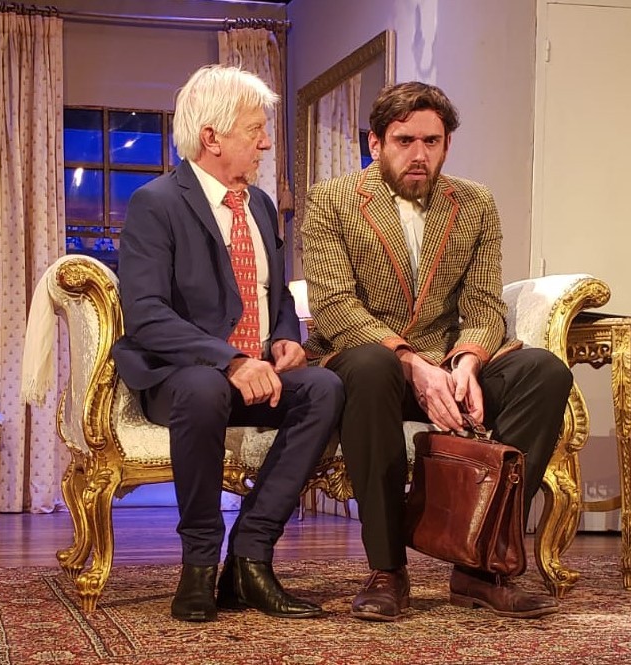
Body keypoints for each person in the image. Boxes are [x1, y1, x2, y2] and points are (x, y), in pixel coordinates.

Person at [301, 81, 572, 622]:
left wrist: (468, 362)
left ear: (447, 144)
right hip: (367, 363)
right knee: (374, 366)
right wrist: (412, 363)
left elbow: (484, 303)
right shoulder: (331, 200)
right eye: (405, 141)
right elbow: (333, 306)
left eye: (432, 141)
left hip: (448, 369)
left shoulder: (474, 202)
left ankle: (482, 567)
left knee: (544, 371)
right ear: (376, 143)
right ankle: (387, 570)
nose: (419, 154)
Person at [112, 64, 344, 623]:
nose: (265, 143)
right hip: (181, 375)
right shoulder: (156, 202)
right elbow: (146, 315)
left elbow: (276, 294)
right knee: (203, 388)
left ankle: (250, 556)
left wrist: (285, 338)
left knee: (325, 388)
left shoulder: (259, 204)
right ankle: (198, 565)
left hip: (257, 372)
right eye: (255, 130)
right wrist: (232, 360)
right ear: (212, 137)